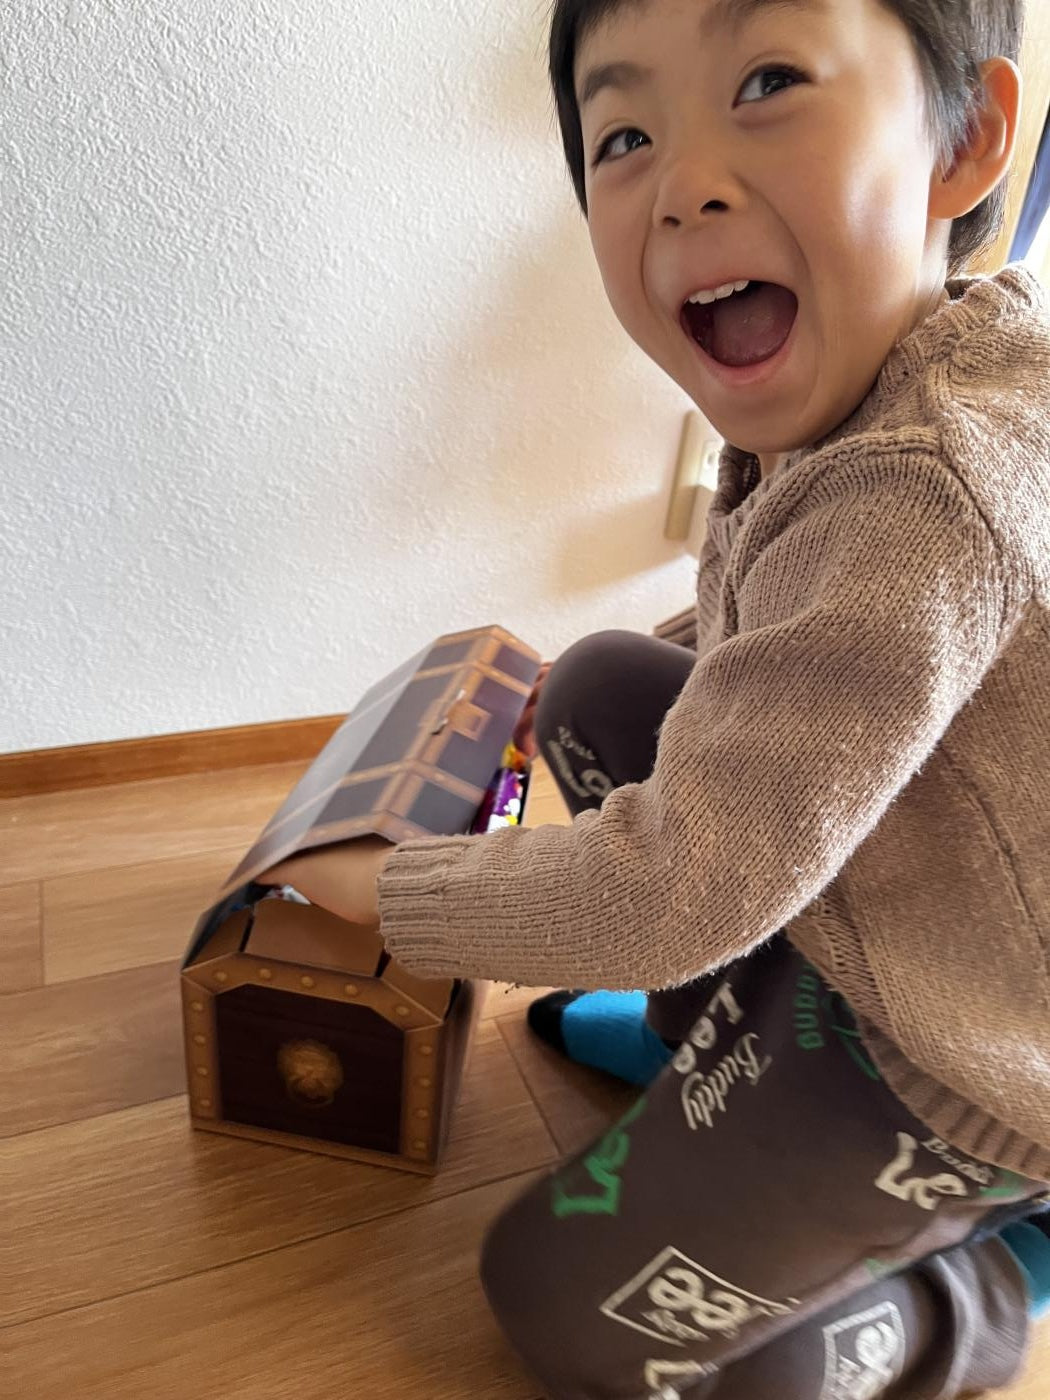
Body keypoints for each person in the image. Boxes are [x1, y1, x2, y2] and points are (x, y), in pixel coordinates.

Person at [263, 0, 1050, 1393]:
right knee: (601, 685)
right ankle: (716, 1040)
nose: (685, 182)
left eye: (769, 80)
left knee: (567, 1305)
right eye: (624, 135)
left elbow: (677, 887)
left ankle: (985, 1282)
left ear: (965, 141)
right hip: (887, 900)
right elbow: (812, 628)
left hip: (967, 1056)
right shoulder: (895, 382)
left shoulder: (921, 485)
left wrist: (388, 892)